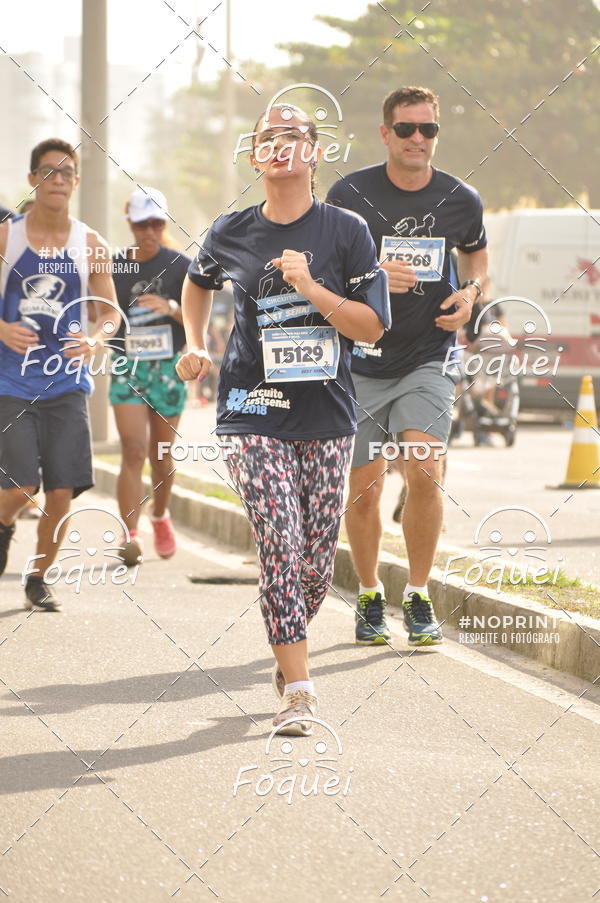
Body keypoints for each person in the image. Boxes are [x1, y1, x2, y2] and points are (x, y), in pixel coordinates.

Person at [176, 103, 390, 735]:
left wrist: (312, 289)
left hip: (327, 415)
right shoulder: (231, 229)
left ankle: (287, 638)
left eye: (294, 137)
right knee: (279, 541)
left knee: (316, 561)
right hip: (251, 411)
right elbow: (198, 283)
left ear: (316, 153)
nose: (281, 147)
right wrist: (195, 341)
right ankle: (298, 688)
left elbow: (372, 325)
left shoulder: (345, 230)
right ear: (254, 156)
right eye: (268, 138)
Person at [327, 86, 488, 647]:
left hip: (429, 356)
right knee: (365, 491)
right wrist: (371, 279)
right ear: (385, 133)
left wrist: (469, 296)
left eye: (428, 129)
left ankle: (419, 593)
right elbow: (324, 273)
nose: (418, 139)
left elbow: (475, 254)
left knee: (423, 469)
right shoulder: (349, 194)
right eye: (406, 129)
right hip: (361, 362)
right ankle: (370, 593)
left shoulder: (461, 197)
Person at [0, 138, 120, 610]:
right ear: (33, 180)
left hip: (67, 382)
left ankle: (37, 578)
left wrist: (96, 339)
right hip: (10, 381)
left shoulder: (89, 243)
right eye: (49, 172)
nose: (58, 180)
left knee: (62, 490)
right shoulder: (8, 237)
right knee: (21, 484)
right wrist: (2, 328)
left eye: (67, 173)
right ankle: (5, 523)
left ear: (75, 183)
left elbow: (108, 311)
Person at [108, 188, 190, 565]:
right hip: (128, 367)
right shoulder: (115, 266)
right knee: (133, 450)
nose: (150, 230)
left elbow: (198, 318)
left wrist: (170, 306)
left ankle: (160, 514)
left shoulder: (180, 265)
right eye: (143, 223)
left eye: (157, 222)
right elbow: (101, 314)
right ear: (131, 222)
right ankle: (130, 535)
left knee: (161, 455)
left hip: (168, 369)